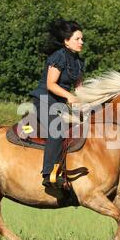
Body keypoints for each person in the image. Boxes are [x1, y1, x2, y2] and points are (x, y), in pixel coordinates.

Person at [29, 19, 85, 189]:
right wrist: (70, 97)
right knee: (57, 128)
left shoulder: (79, 61)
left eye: (82, 39)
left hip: (60, 103)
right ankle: (48, 175)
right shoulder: (58, 57)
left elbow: (80, 88)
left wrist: (86, 106)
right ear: (66, 41)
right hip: (44, 100)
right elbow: (51, 84)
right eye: (77, 39)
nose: (81, 42)